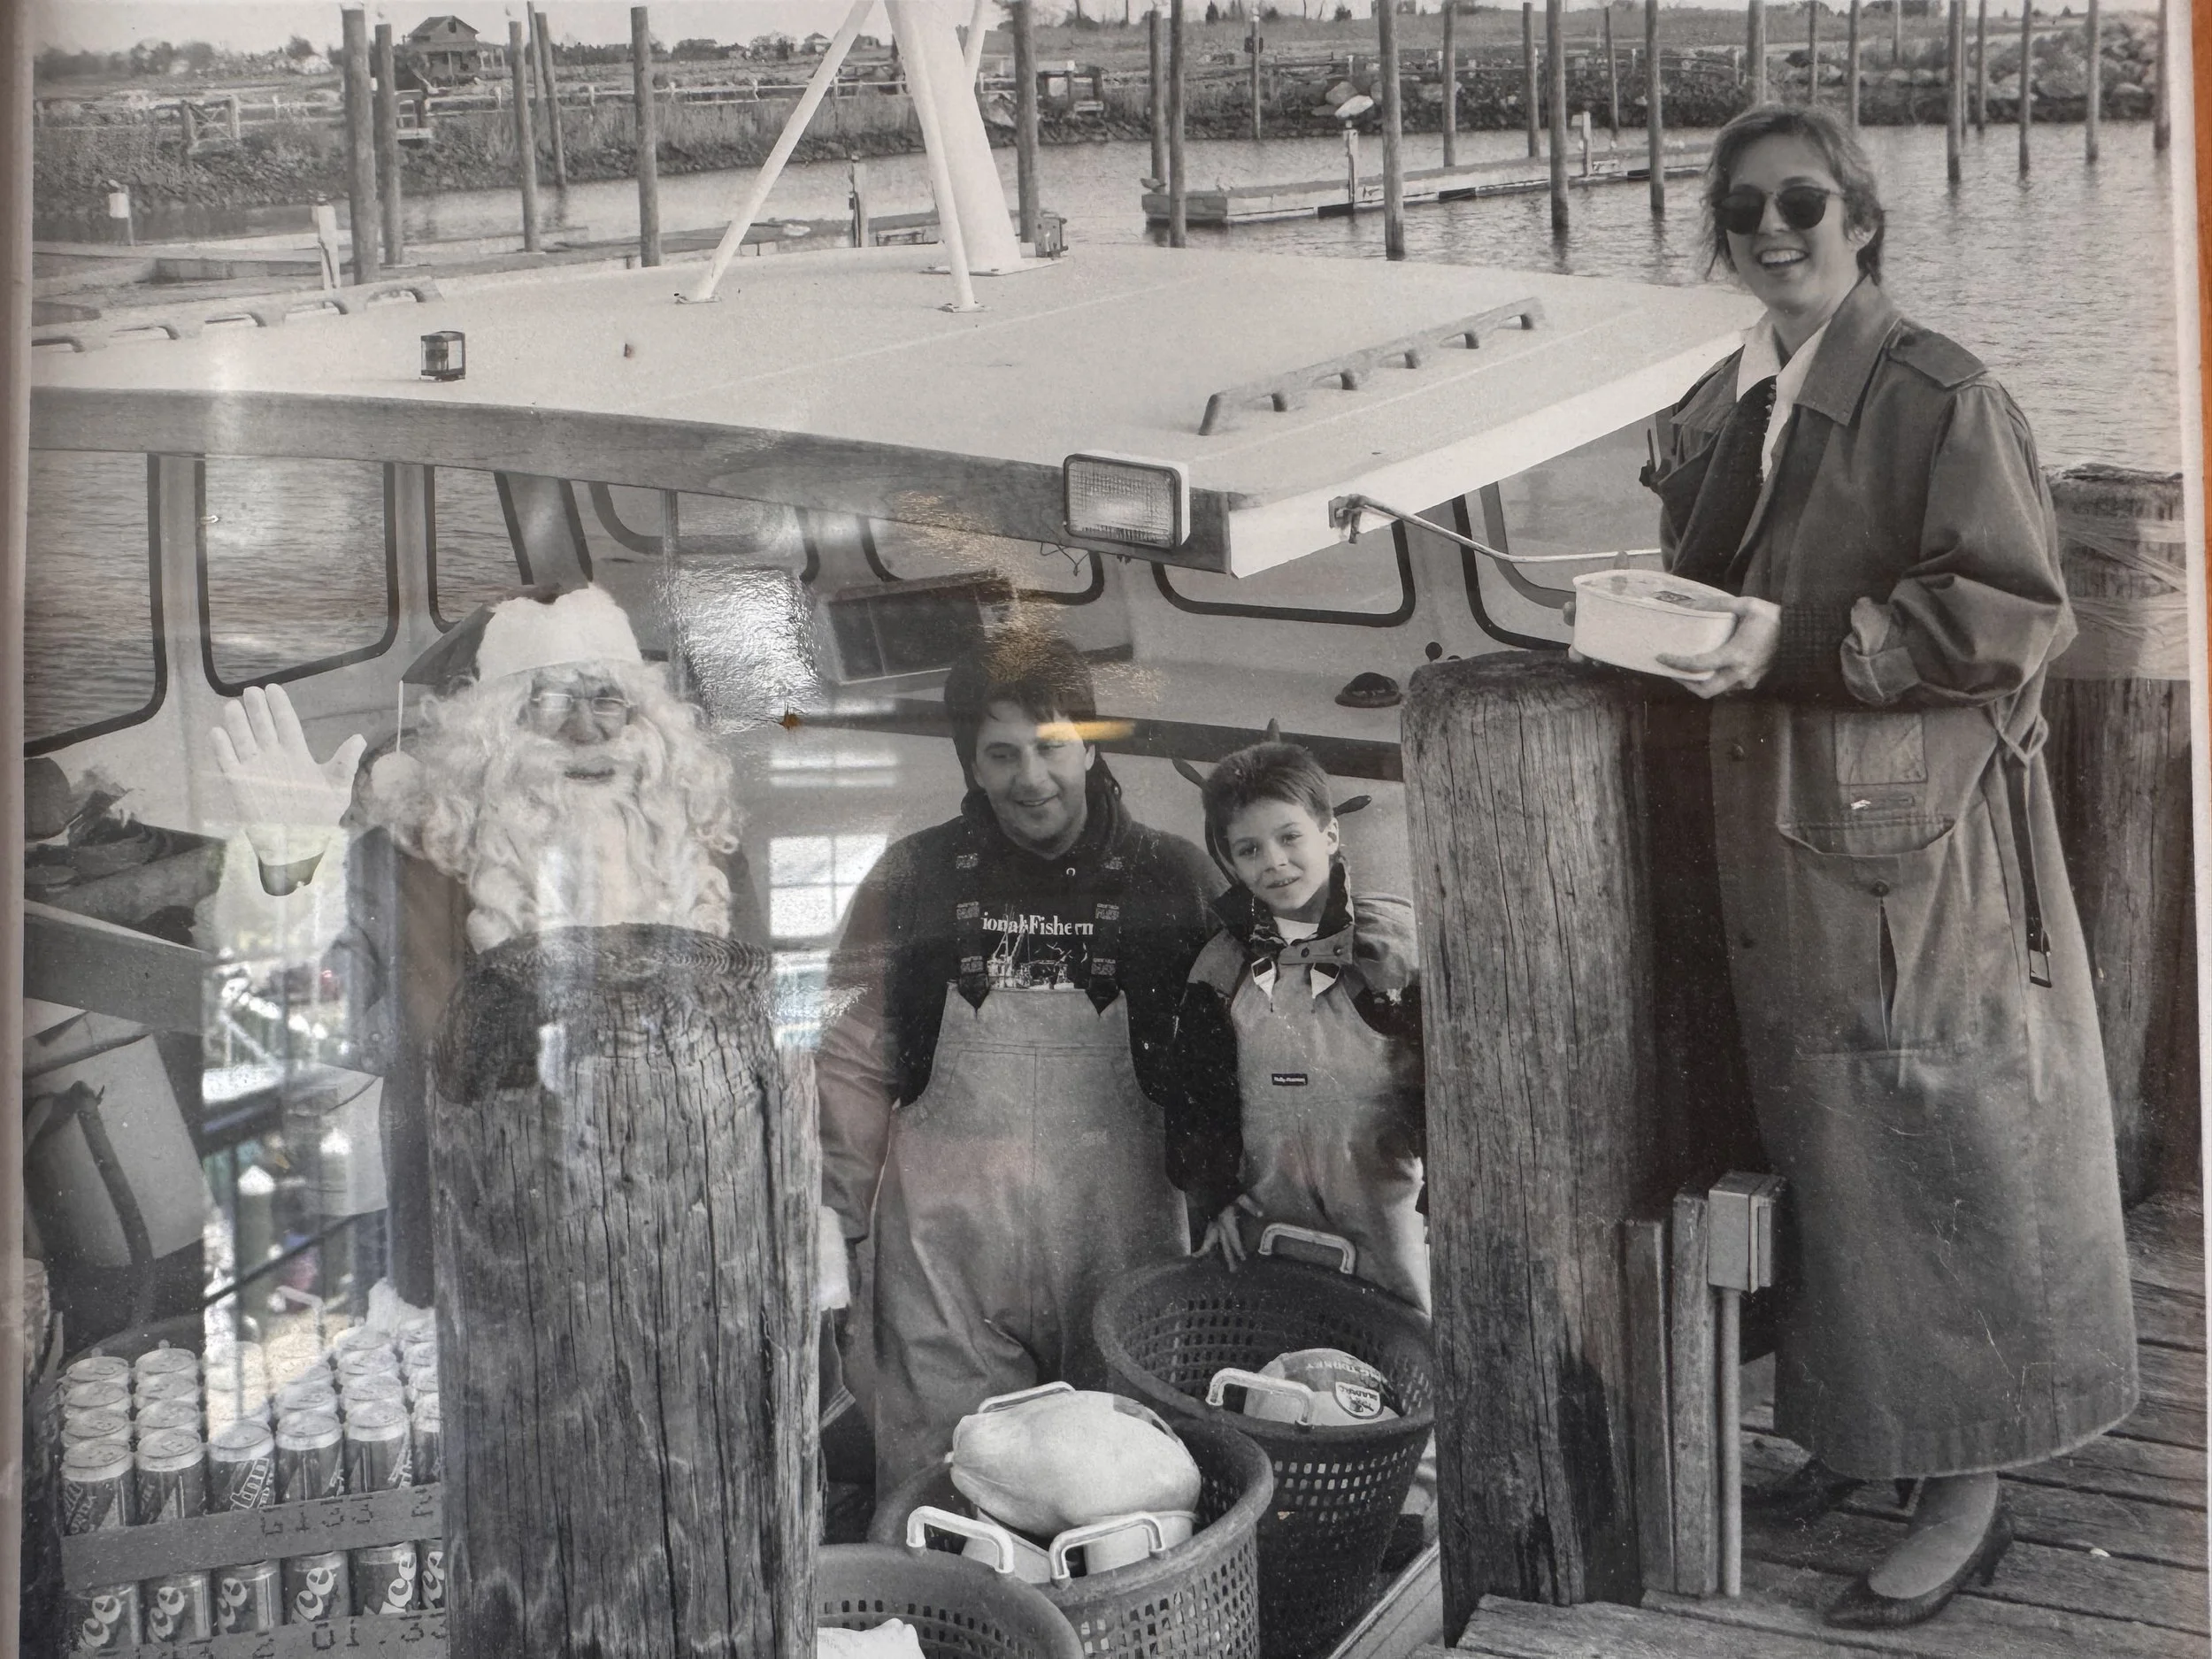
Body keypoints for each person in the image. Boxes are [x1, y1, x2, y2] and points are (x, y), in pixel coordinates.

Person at [1641, 105, 2138, 1629]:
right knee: (1821, 1132)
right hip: (1773, 829)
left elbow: (2012, 613)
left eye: (1802, 202)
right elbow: (1710, 585)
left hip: (1911, 845)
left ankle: (1968, 1485)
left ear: (1862, 219)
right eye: (1743, 208)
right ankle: (1867, 1430)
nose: (1771, 229)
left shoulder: (1943, 394)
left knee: (1937, 1130)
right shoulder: (1737, 394)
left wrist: (1794, 644)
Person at [211, 584, 765, 1309]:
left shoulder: (706, 862)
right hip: (477, 1270)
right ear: (493, 732)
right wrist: (290, 868)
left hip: (685, 1262)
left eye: (609, 700)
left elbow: (772, 1056)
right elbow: (291, 1021)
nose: (586, 730)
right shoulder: (407, 864)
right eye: (549, 701)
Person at [816, 624, 1218, 1498]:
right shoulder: (910, 875)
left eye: (1050, 747)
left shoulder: (1176, 877)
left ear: (1090, 745)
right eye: (1000, 755)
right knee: (938, 1485)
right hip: (946, 1259)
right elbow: (850, 1058)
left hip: (1123, 1250)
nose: (1029, 779)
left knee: (1125, 1489)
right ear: (971, 763)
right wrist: (833, 1224)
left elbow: (1241, 1055)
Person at [1166, 741, 1428, 1314]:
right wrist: (1216, 1198)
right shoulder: (1220, 968)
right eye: (1249, 849)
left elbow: (1448, 1095)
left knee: (1400, 1345)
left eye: (1289, 837)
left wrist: (1448, 1206)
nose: (1274, 861)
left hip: (1390, 1225)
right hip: (1267, 1229)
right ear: (1231, 862)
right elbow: (1199, 1102)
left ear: (1329, 834)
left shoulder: (1394, 950)